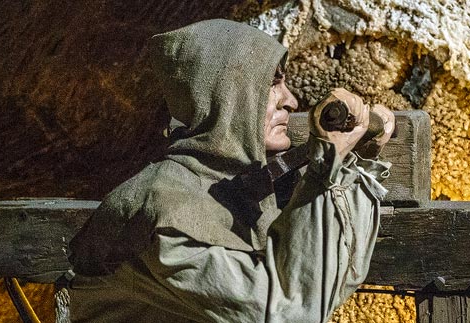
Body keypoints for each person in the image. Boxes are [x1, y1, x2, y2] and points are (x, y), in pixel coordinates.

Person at [67, 19, 395, 322]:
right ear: (226, 95)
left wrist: (353, 162)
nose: (291, 101)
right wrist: (325, 164)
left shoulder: (225, 190)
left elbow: (332, 283)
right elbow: (291, 314)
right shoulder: (166, 210)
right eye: (271, 83)